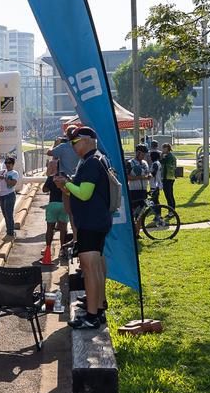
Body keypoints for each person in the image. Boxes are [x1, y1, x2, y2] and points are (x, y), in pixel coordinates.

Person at [53, 127, 112, 329]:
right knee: (95, 267)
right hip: (96, 221)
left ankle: (92, 315)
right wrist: (67, 185)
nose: (72, 145)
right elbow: (84, 192)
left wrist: (66, 185)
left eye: (74, 141)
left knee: (90, 267)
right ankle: (98, 305)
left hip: (90, 222)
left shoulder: (91, 163)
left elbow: (85, 194)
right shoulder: (95, 159)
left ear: (86, 140)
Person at [38, 158, 71, 263]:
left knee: (50, 229)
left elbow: (44, 189)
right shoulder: (66, 177)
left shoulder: (51, 178)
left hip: (52, 204)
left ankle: (48, 248)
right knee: (63, 229)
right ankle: (62, 249)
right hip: (64, 204)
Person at [125, 144, 151, 235]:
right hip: (133, 191)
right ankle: (131, 233)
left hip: (143, 191)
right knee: (133, 214)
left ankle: (137, 234)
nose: (143, 156)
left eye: (144, 154)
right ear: (137, 153)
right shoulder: (130, 163)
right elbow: (127, 177)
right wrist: (141, 177)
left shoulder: (145, 163)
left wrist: (149, 176)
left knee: (141, 214)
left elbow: (148, 174)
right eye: (142, 154)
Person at [0, 155, 21, 237]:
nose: (7, 164)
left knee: (9, 214)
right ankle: (9, 230)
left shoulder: (14, 173)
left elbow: (12, 183)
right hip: (2, 196)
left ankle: (11, 232)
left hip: (9, 195)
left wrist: (5, 177)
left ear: (13, 164)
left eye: (9, 163)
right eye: (6, 162)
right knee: (5, 214)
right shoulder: (3, 171)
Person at [160, 143, 179, 211]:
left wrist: (161, 155)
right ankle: (172, 210)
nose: (162, 150)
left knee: (168, 196)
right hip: (171, 177)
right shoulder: (172, 156)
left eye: (163, 148)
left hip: (167, 178)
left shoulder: (168, 157)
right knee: (170, 195)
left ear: (167, 148)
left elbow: (161, 161)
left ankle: (171, 211)